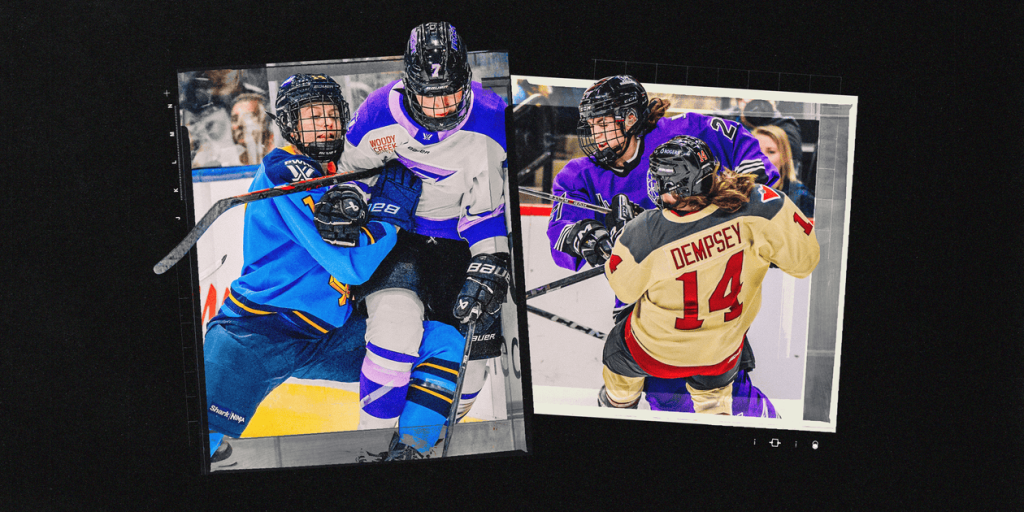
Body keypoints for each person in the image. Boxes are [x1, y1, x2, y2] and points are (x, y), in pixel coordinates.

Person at [204, 73, 466, 466]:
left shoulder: (341, 169)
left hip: (326, 337)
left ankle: (410, 450)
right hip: (256, 333)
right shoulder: (285, 172)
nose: (326, 123)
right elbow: (351, 264)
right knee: (200, 444)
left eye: (331, 114)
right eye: (313, 115)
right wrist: (390, 215)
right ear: (290, 122)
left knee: (443, 342)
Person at [330, 22, 510, 446]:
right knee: (395, 326)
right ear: (408, 85)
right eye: (429, 96)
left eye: (450, 93)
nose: (440, 107)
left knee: (472, 367)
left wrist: (493, 258)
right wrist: (350, 199)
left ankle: (414, 449)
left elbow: (489, 207)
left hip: (462, 245)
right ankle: (369, 446)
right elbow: (353, 176)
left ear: (466, 81)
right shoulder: (377, 112)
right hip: (399, 235)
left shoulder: (493, 118)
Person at [598, 135, 819, 415]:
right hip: (721, 355)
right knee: (715, 392)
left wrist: (622, 235)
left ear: (674, 186)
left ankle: (617, 403)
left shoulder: (644, 230)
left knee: (618, 349)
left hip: (653, 354)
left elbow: (624, 290)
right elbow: (804, 262)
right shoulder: (761, 204)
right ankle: (715, 412)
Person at [547, 75, 781, 323]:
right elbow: (560, 231)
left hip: (706, 285)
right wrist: (586, 238)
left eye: (603, 123)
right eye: (592, 125)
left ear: (630, 119)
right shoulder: (577, 175)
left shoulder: (683, 131)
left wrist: (746, 197)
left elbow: (740, 144)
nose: (596, 134)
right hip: (640, 298)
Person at [753, 124, 814, 219]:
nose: (762, 158)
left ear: (784, 157)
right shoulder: (738, 193)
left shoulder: (801, 197)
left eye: (771, 152)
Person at [229, 93, 275, 166]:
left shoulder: (282, 152)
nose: (239, 125)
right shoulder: (233, 158)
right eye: (235, 119)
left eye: (247, 117)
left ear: (264, 122)